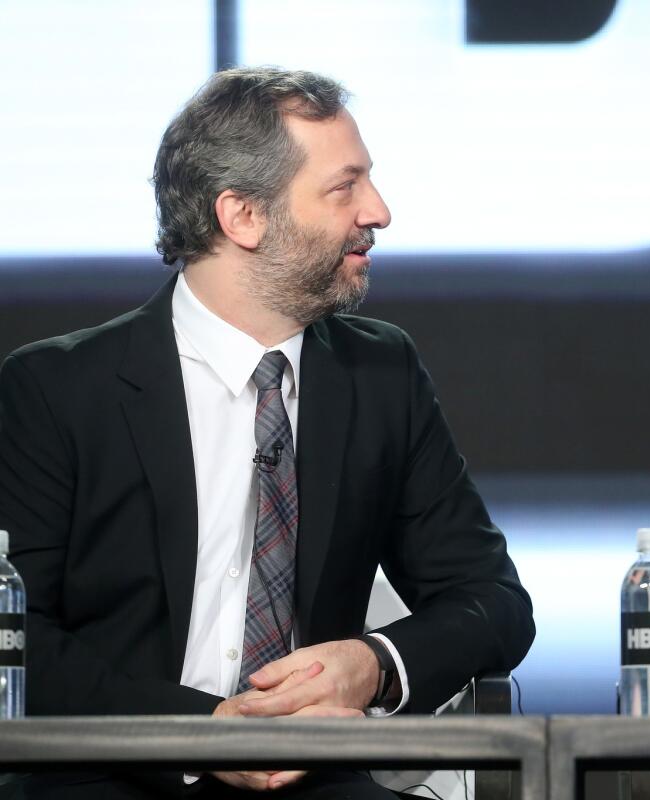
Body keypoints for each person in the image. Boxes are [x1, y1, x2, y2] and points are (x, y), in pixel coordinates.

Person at [0, 67, 534, 798]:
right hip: (114, 772)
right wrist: (205, 729)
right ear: (242, 216)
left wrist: (370, 665)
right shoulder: (55, 391)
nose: (378, 212)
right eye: (343, 188)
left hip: (313, 781)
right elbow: (15, 641)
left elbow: (493, 602)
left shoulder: (380, 375)